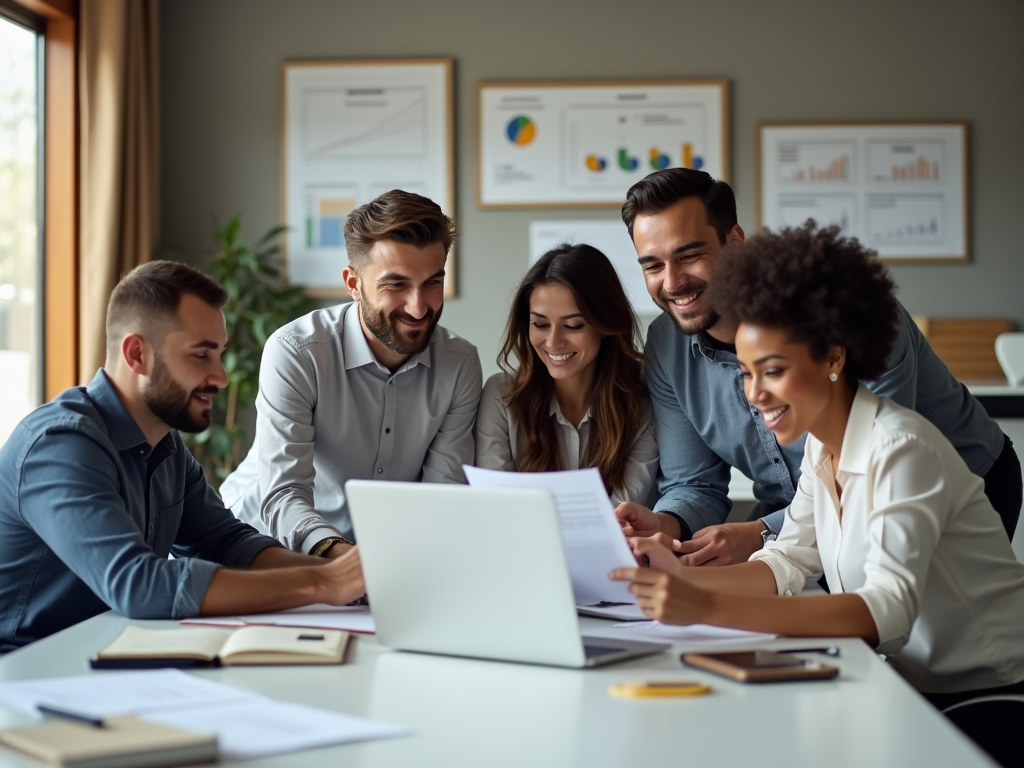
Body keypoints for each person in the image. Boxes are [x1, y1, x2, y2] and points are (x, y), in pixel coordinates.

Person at [612, 224, 1024, 703]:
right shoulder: (821, 447)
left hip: (993, 693)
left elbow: (885, 613)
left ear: (833, 357)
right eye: (746, 373)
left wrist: (703, 603)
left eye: (774, 371)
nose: (755, 394)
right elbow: (787, 560)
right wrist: (680, 575)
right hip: (916, 686)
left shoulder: (902, 449)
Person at [614, 168, 1022, 567]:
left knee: (919, 630)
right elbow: (694, 482)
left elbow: (870, 473)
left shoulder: (841, 316)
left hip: (951, 486)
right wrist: (667, 524)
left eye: (689, 255)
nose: (671, 282)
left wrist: (760, 533)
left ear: (734, 242)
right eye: (652, 265)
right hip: (797, 508)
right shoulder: (667, 348)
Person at [0, 261, 365, 653]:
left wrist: (351, 578)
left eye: (220, 354)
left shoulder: (165, 443)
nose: (221, 377)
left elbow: (226, 543)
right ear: (137, 353)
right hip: (24, 674)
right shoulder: (60, 445)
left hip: (112, 654)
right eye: (200, 355)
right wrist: (326, 584)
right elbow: (138, 585)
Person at [219, 190, 482, 557]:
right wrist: (348, 562)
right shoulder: (297, 352)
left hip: (370, 563)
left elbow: (441, 496)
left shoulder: (460, 364)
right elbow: (283, 494)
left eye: (432, 283)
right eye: (397, 284)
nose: (419, 307)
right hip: (258, 547)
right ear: (353, 284)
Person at [475, 243, 658, 504]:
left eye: (572, 325)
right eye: (540, 324)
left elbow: (621, 516)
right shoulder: (501, 396)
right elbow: (499, 508)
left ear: (606, 325)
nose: (552, 342)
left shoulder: (640, 399)